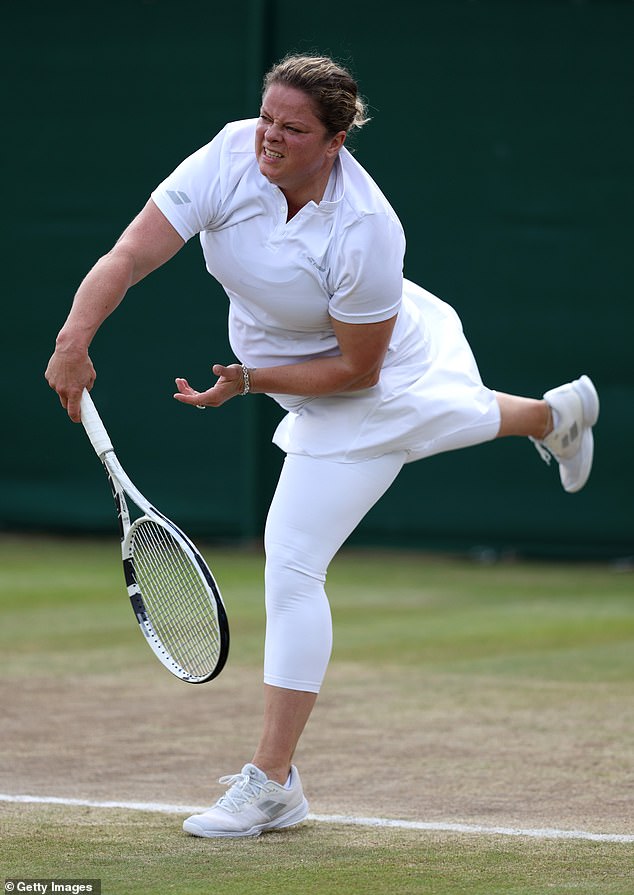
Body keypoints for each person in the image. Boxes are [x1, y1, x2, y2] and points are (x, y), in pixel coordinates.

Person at [45, 53, 599, 839]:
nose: (269, 137)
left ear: (336, 140)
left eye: (293, 128)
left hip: (368, 380)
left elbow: (355, 368)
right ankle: (554, 417)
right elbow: (132, 251)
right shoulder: (230, 152)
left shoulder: (367, 228)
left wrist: (249, 380)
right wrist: (75, 338)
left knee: (295, 555)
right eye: (267, 117)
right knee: (457, 416)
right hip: (301, 368)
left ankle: (274, 783)